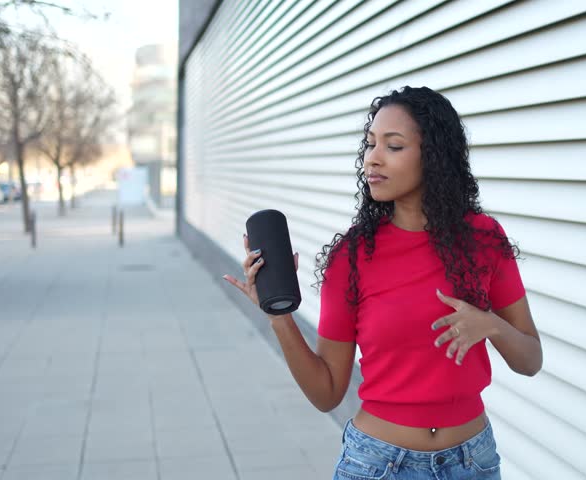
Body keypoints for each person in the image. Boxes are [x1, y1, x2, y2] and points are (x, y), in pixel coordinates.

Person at [224, 86, 543, 479]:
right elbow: (327, 393)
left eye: (393, 146)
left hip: (472, 463)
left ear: (435, 156)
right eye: (371, 143)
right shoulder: (352, 256)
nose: (372, 158)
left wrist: (490, 324)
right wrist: (280, 318)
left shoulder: (484, 239)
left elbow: (530, 361)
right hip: (379, 464)